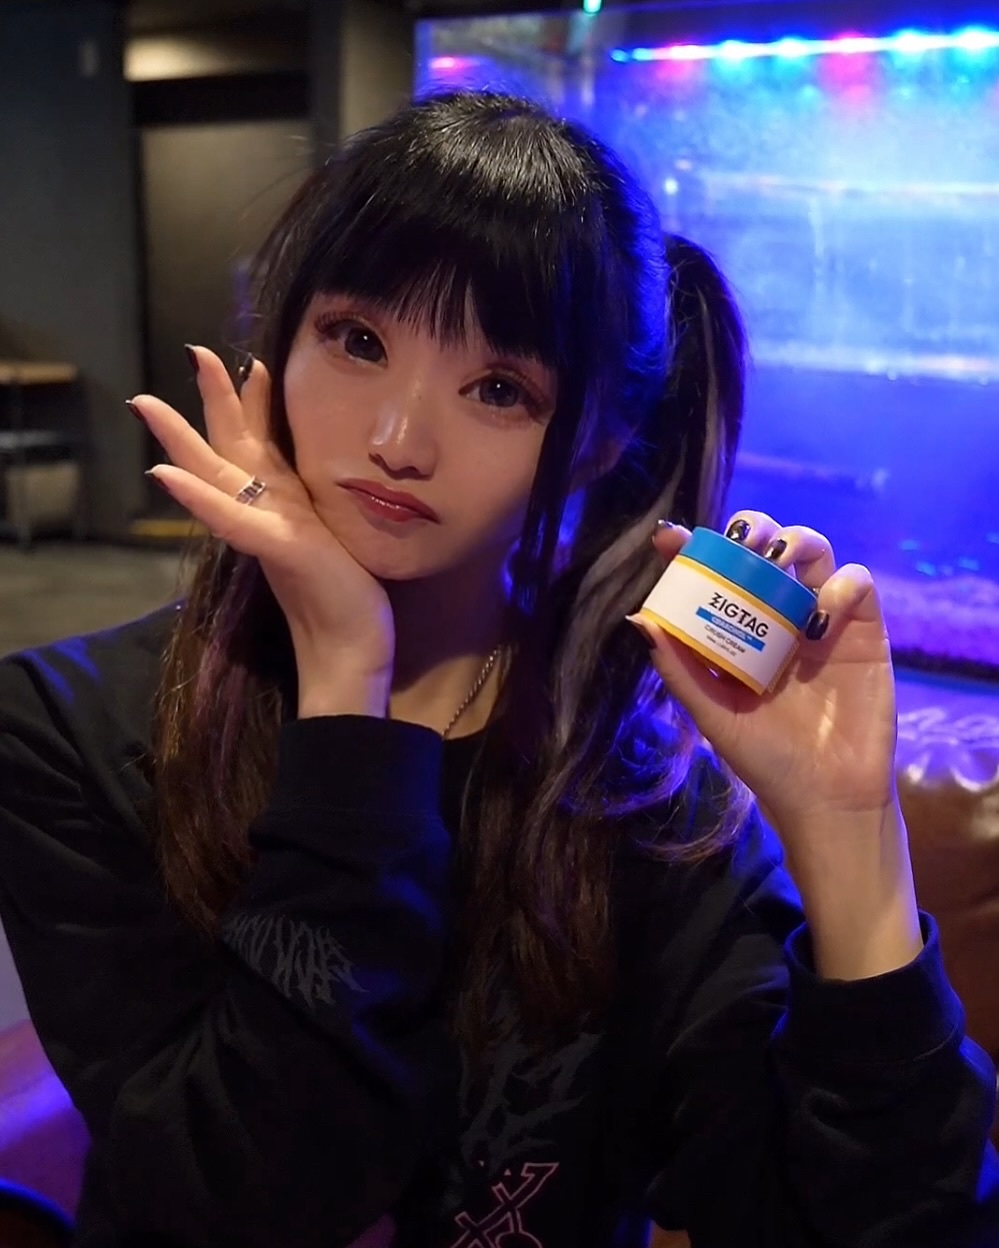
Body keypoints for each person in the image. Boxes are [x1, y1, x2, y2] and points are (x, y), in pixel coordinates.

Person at [0, 90, 996, 1248]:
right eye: (358, 340)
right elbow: (244, 1202)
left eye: (499, 390)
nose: (397, 441)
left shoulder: (640, 788)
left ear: (603, 442)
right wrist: (347, 692)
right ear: (277, 345)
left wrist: (849, 837)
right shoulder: (66, 726)